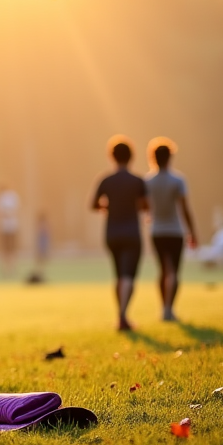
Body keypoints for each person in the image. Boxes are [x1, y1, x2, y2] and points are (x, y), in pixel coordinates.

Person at [91, 136, 148, 331]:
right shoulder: (138, 181)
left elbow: (93, 204)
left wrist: (107, 207)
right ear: (131, 157)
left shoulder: (106, 180)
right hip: (132, 232)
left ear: (112, 157)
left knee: (119, 275)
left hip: (112, 233)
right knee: (128, 276)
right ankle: (123, 315)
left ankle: (121, 314)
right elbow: (145, 205)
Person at [144, 138, 197, 321]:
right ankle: (169, 308)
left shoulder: (148, 181)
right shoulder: (177, 180)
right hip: (175, 231)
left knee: (163, 270)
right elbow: (184, 208)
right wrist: (192, 232)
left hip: (157, 231)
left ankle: (163, 307)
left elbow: (144, 206)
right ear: (170, 157)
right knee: (173, 271)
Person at [0, 185, 20, 279]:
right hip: (3, 228)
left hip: (11, 227)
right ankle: (6, 269)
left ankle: (11, 269)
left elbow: (14, 211)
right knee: (5, 250)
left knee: (11, 249)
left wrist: (6, 213)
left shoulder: (11, 197)